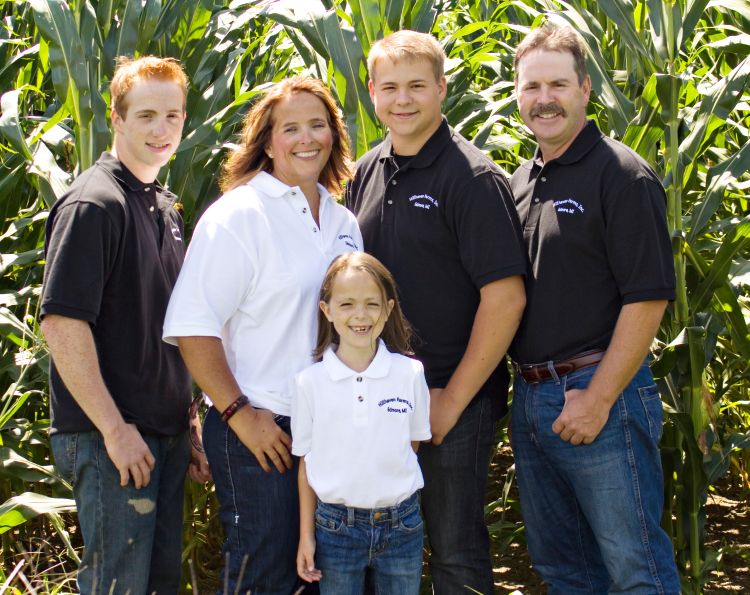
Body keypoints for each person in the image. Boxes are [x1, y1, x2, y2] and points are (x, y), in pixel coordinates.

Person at [163, 76, 363, 595]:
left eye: (317, 125)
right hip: (262, 430)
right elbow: (192, 326)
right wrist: (238, 415)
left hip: (332, 432)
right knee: (266, 574)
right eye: (290, 128)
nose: (306, 138)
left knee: (327, 575)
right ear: (267, 141)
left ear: (333, 135)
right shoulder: (239, 215)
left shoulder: (344, 221)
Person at [346, 30, 527, 594]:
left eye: (417, 86)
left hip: (453, 399)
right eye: (390, 87)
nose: (403, 100)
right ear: (372, 93)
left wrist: (450, 399)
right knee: (375, 548)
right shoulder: (367, 171)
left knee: (454, 554)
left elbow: (505, 297)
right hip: (376, 399)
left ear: (442, 89)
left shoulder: (470, 178)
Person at [508, 21, 681, 594]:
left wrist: (600, 397)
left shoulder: (621, 174)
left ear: (585, 88)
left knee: (636, 571)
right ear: (516, 93)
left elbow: (648, 296)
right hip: (533, 398)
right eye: (531, 87)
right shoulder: (521, 182)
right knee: (566, 573)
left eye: (557, 85)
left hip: (599, 397)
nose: (544, 100)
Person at [41, 56, 209, 595]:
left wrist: (189, 420)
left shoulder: (163, 206)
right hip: (110, 436)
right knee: (117, 587)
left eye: (173, 116)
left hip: (162, 433)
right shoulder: (95, 203)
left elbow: (163, 324)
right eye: (146, 116)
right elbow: (63, 324)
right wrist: (114, 431)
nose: (162, 130)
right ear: (116, 118)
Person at [293, 252, 431, 594]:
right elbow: (306, 465)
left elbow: (410, 445)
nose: (360, 315)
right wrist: (306, 536)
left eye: (372, 304)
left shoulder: (409, 374)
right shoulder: (309, 383)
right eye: (347, 304)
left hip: (403, 526)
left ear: (388, 309)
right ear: (327, 311)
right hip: (335, 528)